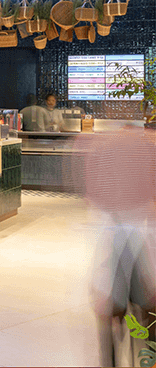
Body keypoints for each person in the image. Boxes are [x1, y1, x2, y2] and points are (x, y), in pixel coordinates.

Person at [77, 126, 156, 366]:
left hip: (116, 229)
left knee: (109, 304)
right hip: (141, 230)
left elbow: (92, 194)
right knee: (148, 304)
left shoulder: (102, 145)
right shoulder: (148, 145)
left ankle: (110, 355)